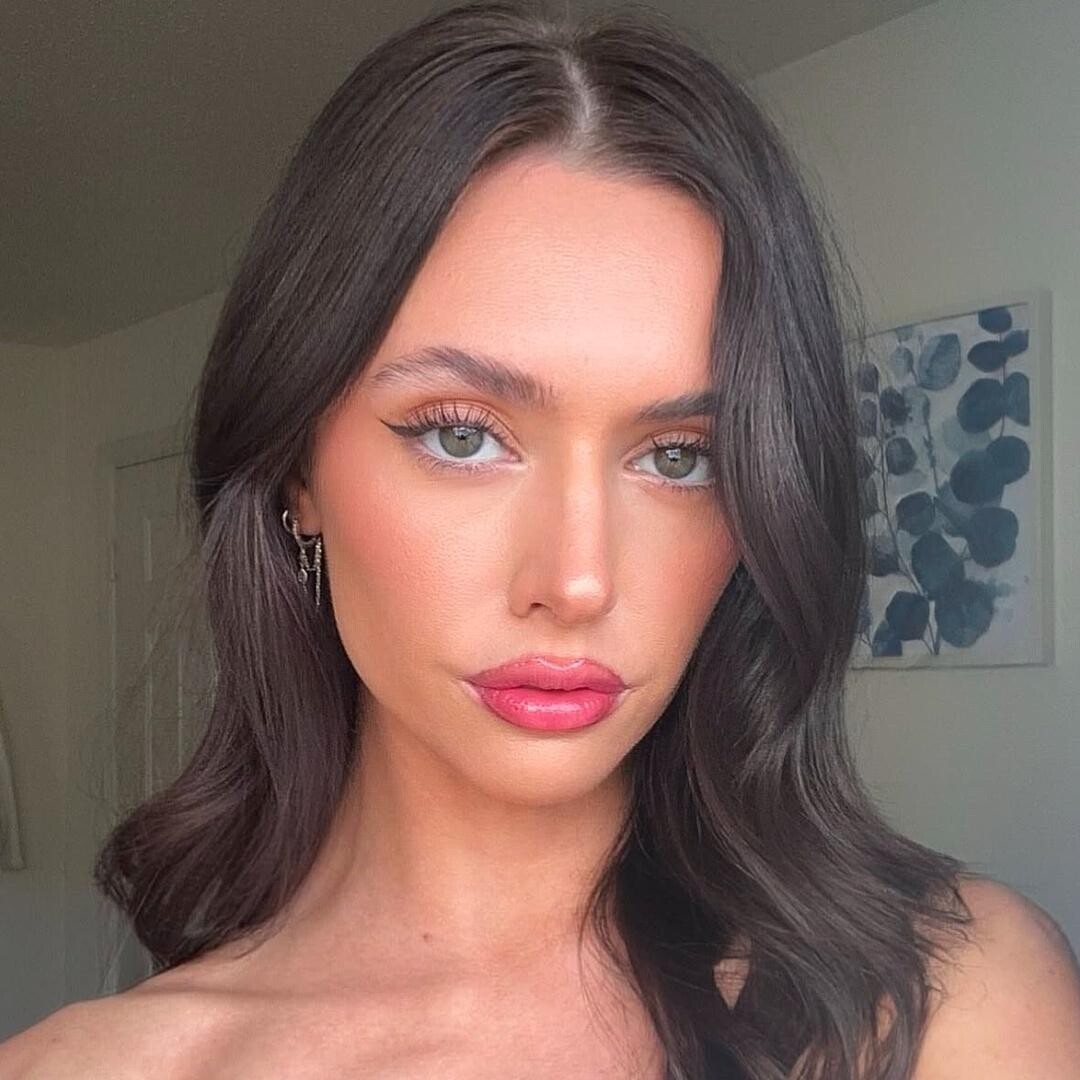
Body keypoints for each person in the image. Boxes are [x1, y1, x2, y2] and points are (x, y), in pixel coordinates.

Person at [5, 2, 1080, 1077]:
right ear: (298, 470)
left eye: (680, 458)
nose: (577, 581)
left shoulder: (937, 1005)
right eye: (463, 436)